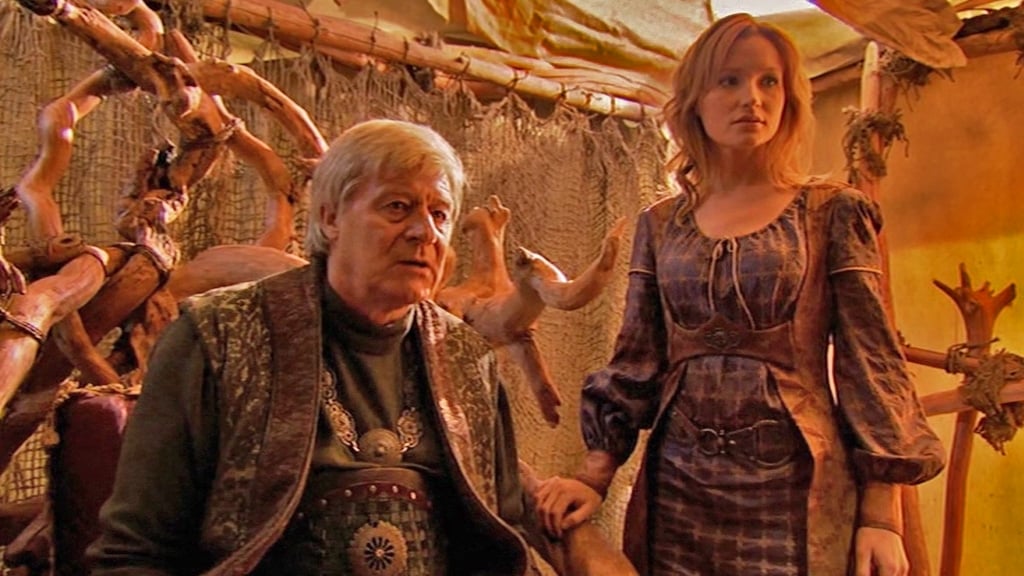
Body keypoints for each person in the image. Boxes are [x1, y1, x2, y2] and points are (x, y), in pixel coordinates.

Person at [86, 119, 628, 575]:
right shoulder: (217, 336)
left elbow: (501, 538)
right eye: (397, 207)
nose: (425, 232)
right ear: (330, 217)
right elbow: (135, 554)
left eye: (439, 214)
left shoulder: (468, 359)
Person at [535, 13, 945, 576]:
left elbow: (870, 361)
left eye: (767, 81)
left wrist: (881, 515)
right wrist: (594, 476)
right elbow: (637, 357)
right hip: (678, 488)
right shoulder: (661, 224)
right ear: (695, 100)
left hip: (797, 489)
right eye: (728, 80)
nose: (751, 97)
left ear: (789, 96)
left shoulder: (831, 211)